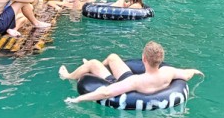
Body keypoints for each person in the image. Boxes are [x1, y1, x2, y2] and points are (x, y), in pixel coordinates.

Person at [59, 41, 203, 105]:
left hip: (126, 84)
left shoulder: (135, 82)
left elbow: (106, 93)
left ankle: (69, 76)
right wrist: (195, 71)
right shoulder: (168, 72)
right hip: (141, 80)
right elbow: (186, 75)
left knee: (93, 63)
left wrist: (78, 99)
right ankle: (99, 68)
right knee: (113, 57)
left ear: (143, 59)